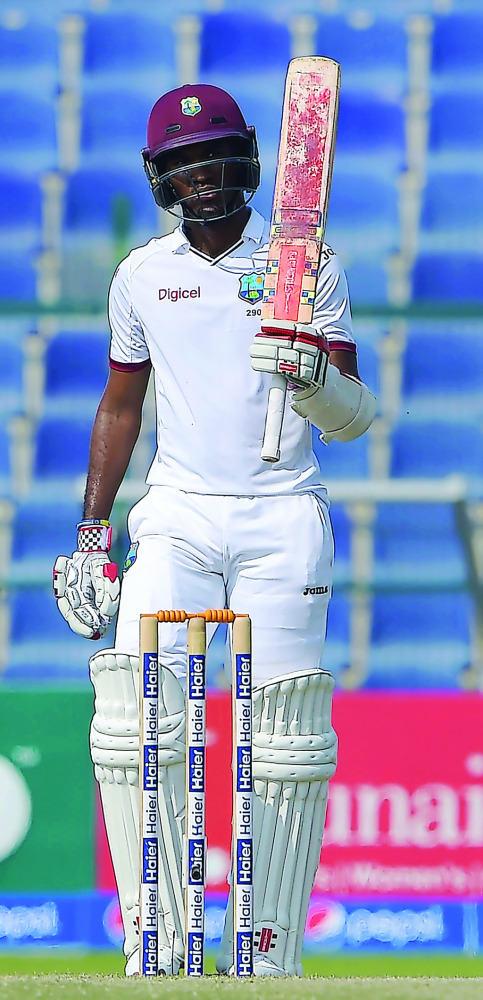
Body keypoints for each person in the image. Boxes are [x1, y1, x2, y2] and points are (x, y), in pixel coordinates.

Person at [53, 83, 376, 977]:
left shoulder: (307, 265)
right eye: (185, 164)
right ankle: (154, 939)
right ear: (161, 177)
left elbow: (354, 419)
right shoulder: (141, 274)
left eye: (218, 158)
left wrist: (311, 375)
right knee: (138, 717)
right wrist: (90, 530)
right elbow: (121, 404)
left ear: (250, 162)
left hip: (283, 516)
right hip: (178, 515)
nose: (203, 178)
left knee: (283, 740)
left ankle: (267, 951)